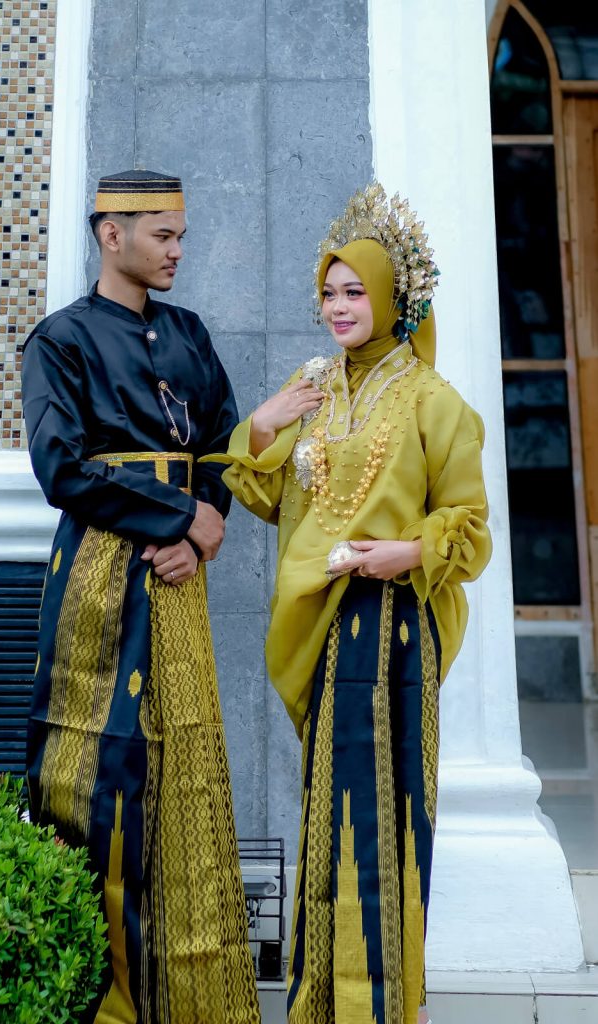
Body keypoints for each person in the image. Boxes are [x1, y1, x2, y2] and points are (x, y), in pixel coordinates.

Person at [217, 184, 492, 1024]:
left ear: (393, 298)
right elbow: (270, 499)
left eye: (355, 292)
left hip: (396, 625)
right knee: (330, 812)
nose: (338, 307)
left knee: (387, 814)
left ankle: (384, 1003)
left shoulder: (433, 401)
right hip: (328, 628)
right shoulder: (311, 387)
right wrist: (265, 424)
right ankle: (323, 1003)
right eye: (329, 292)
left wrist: (408, 552)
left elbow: (470, 527)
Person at [22, 169, 260, 1024]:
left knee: (183, 774)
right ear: (111, 232)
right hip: (98, 579)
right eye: (164, 235)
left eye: (181, 235)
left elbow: (223, 445)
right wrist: (182, 516)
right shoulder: (60, 341)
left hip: (175, 581)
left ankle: (189, 1002)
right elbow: (61, 470)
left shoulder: (189, 334)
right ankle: (103, 1001)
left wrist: (202, 531)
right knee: (98, 776)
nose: (177, 251)